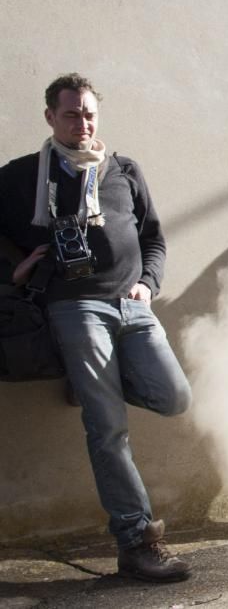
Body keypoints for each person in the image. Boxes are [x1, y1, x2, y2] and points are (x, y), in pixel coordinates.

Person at [0, 74, 192, 581]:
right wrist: (11, 272)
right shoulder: (21, 177)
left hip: (132, 306)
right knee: (108, 429)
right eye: (70, 115)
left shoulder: (124, 169)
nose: (82, 123)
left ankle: (89, 381)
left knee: (175, 397)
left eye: (88, 114)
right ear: (49, 118)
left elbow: (153, 237)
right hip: (75, 307)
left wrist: (148, 284)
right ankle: (136, 542)